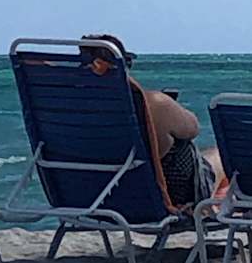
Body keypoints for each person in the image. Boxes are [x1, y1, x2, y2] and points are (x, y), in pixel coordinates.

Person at [80, 33, 226, 208]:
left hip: (90, 196)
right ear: (105, 67)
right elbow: (193, 128)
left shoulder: (67, 111)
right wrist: (167, 106)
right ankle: (217, 206)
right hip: (159, 197)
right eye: (127, 63)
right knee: (219, 156)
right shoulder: (154, 104)